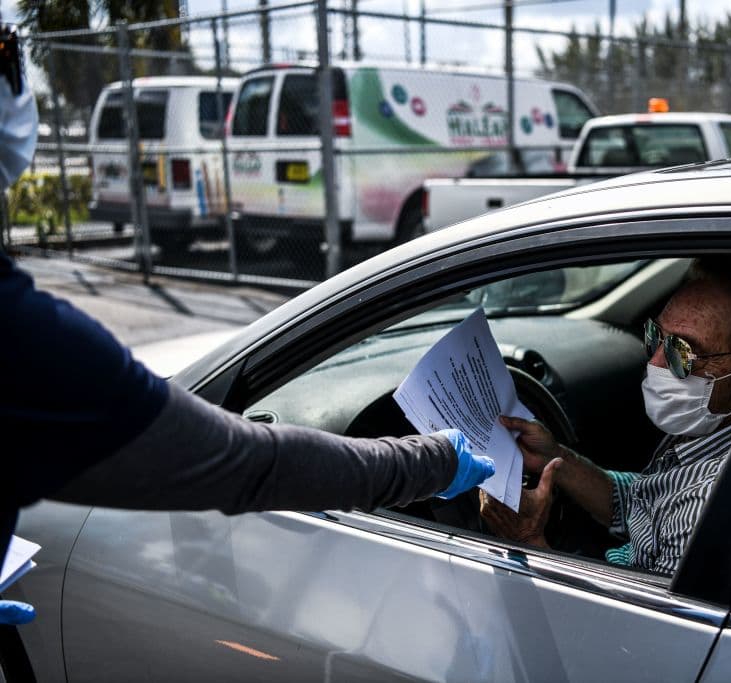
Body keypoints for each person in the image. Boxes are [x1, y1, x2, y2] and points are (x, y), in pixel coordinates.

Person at [0, 39, 495, 627]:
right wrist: (431, 460)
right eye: (6, 54)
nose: (18, 76)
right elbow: (247, 464)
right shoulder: (21, 338)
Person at [480, 258, 731, 574]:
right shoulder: (713, 430)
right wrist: (556, 457)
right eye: (656, 337)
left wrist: (527, 540)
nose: (657, 362)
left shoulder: (706, 511)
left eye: (684, 353)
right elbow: (643, 502)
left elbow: (627, 628)